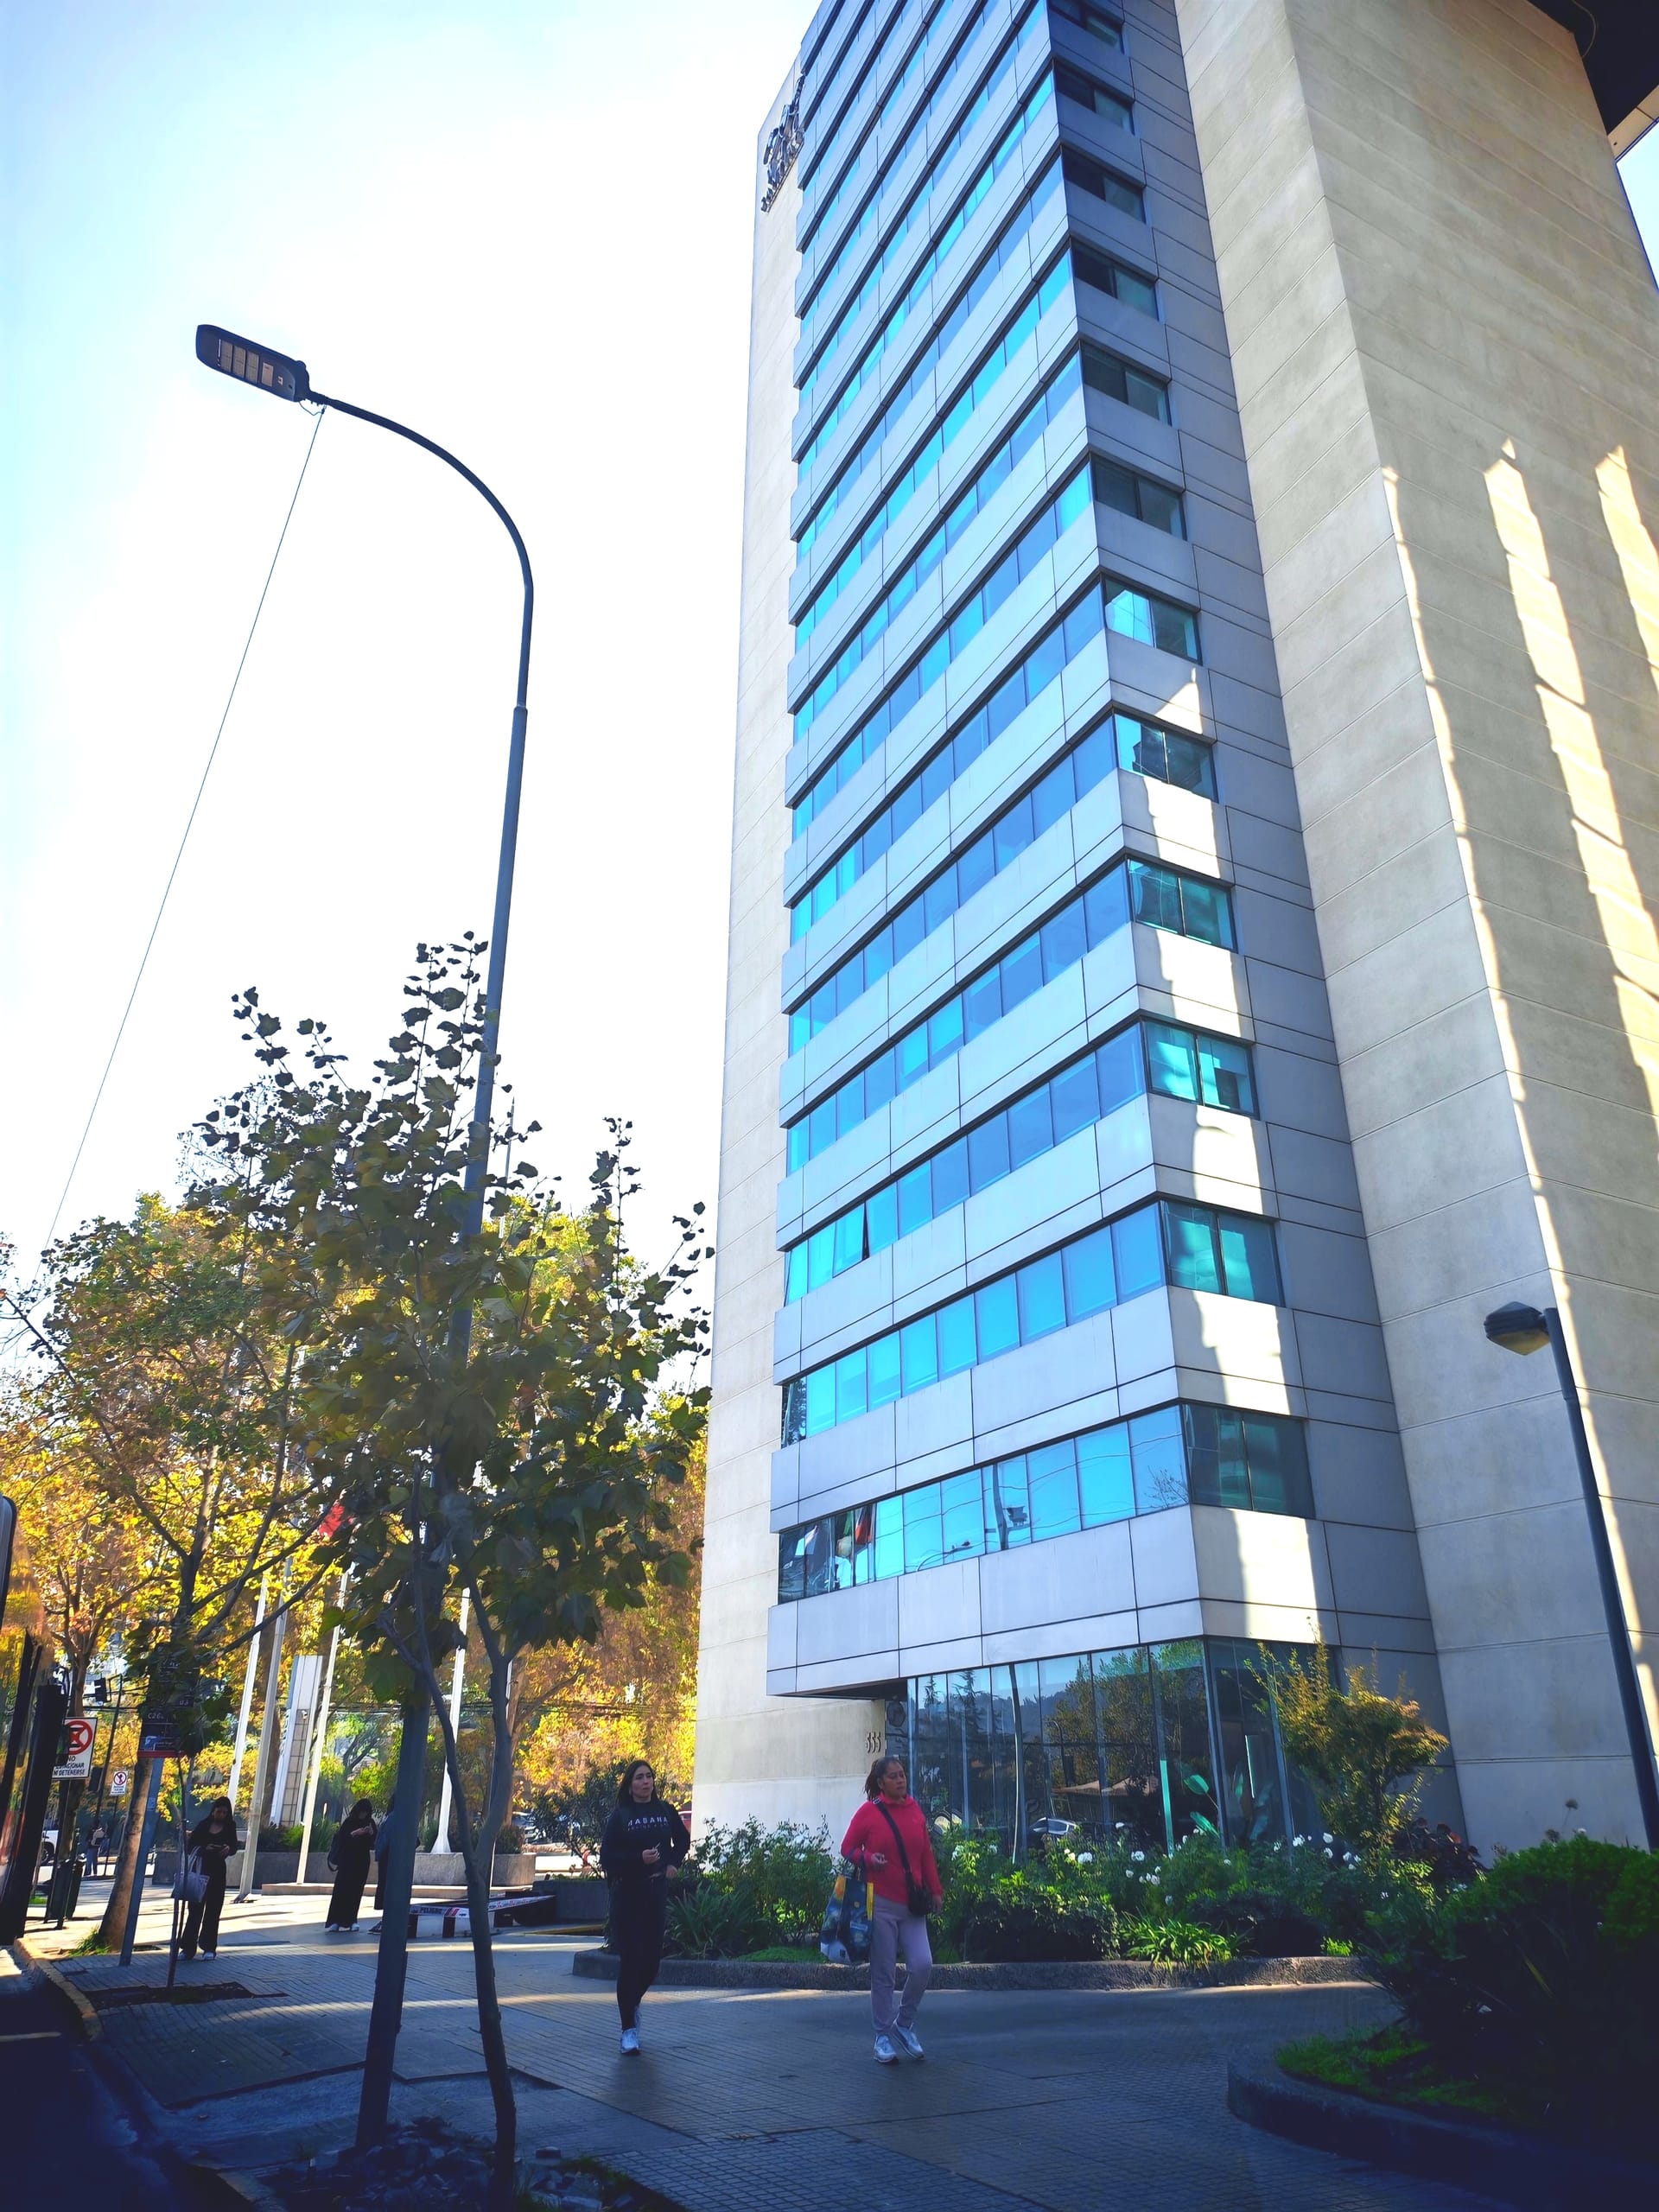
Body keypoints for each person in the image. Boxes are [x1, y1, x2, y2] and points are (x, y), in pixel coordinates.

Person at [841, 1756, 941, 2064]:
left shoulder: (914, 1810)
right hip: (881, 1904)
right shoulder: (869, 1813)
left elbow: (925, 1854)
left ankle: (903, 2024)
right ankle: (882, 2036)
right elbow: (847, 1848)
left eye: (902, 1775)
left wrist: (936, 1890)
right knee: (883, 1973)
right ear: (881, 1782)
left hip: (912, 1905)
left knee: (922, 1965)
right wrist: (868, 1859)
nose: (901, 1780)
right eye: (894, 1776)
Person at [598, 1759, 690, 2055]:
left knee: (651, 1963)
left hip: (655, 1893)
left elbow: (682, 1840)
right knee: (631, 1960)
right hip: (628, 1894)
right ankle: (628, 2030)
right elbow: (607, 1857)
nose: (646, 1782)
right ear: (630, 1785)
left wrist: (673, 1863)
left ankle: (631, 2003)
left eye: (649, 1776)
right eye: (639, 1777)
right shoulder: (621, 1816)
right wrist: (638, 1858)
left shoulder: (665, 1811)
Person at [180, 1798, 239, 1961]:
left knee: (213, 1912)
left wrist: (228, 1849)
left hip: (217, 1873)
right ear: (213, 1811)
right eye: (219, 1811)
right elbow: (191, 1846)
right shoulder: (204, 1825)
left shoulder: (230, 1827)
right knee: (194, 1911)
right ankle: (188, 1948)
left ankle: (209, 1947)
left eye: (224, 1812)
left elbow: (234, 1846)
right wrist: (205, 1848)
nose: (221, 1815)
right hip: (200, 1870)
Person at [325, 1801, 378, 1931]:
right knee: (341, 1890)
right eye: (362, 1812)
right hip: (347, 1861)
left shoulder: (370, 1823)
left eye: (366, 1813)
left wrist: (371, 1833)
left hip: (361, 1861)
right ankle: (335, 1921)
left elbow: (373, 1844)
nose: (363, 1815)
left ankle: (352, 1920)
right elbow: (341, 1839)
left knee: (356, 1891)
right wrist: (354, 1834)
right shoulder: (349, 1822)